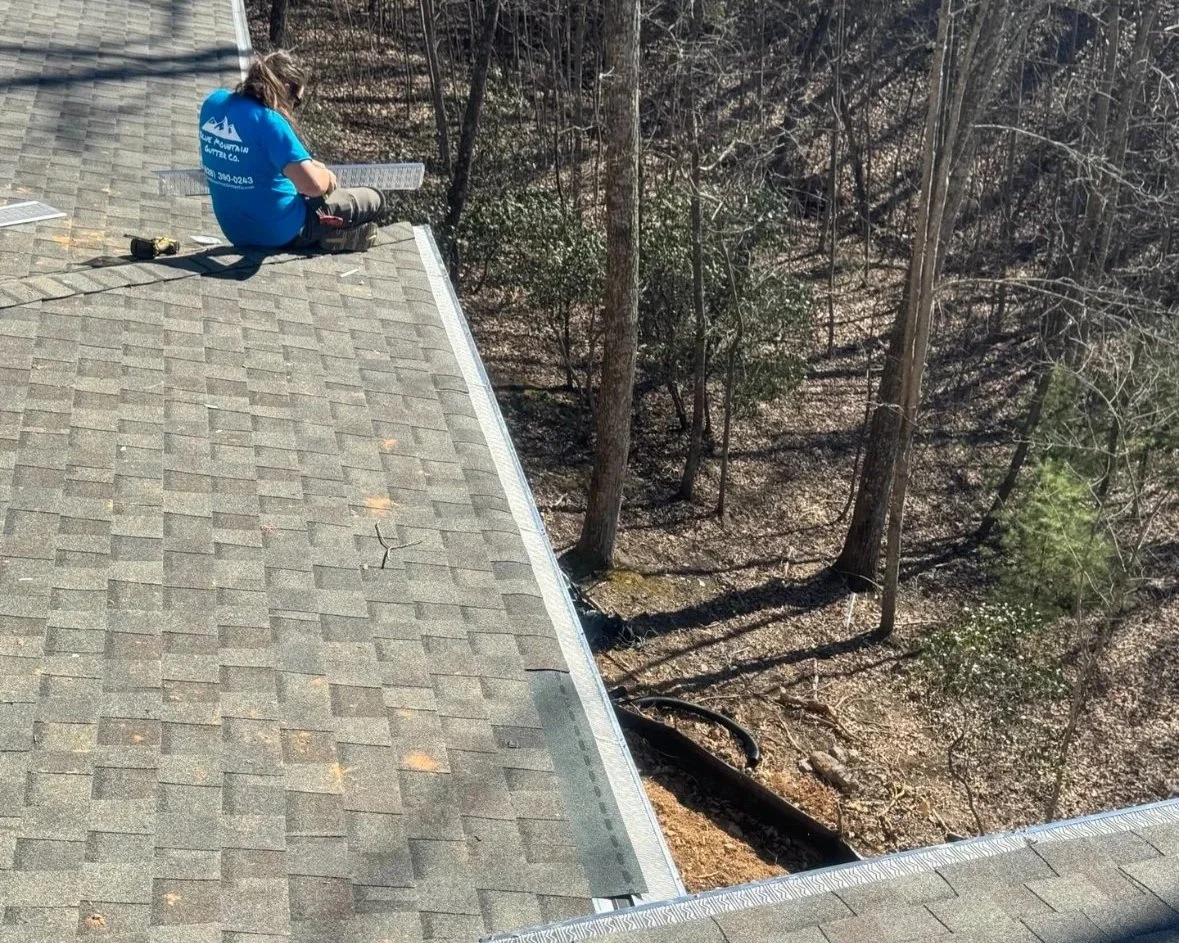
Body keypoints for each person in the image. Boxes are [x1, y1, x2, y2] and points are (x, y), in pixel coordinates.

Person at [198, 51, 383, 252]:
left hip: (236, 232)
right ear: (286, 88)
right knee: (375, 199)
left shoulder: (213, 104)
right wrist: (327, 176)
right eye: (296, 100)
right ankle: (327, 236)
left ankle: (329, 236)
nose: (293, 108)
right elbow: (312, 186)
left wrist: (310, 165)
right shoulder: (270, 122)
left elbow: (252, 158)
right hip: (281, 233)